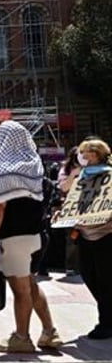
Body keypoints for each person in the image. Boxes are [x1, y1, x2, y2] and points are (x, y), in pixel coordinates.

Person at [0, 112, 62, 353]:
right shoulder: (33, 164)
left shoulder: (5, 171)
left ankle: (22, 337)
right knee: (30, 283)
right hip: (37, 236)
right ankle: (50, 332)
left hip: (13, 238)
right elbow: (10, 141)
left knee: (20, 291)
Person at [73, 137, 112, 340]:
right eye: (83, 152)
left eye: (90, 152)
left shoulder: (109, 176)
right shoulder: (82, 177)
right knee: (89, 275)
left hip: (106, 234)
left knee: (106, 279)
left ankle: (106, 322)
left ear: (100, 155)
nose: (85, 156)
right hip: (85, 234)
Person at [57, 146, 82, 275]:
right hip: (72, 209)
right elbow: (64, 187)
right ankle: (71, 267)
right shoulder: (66, 170)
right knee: (72, 238)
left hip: (88, 208)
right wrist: (73, 174)